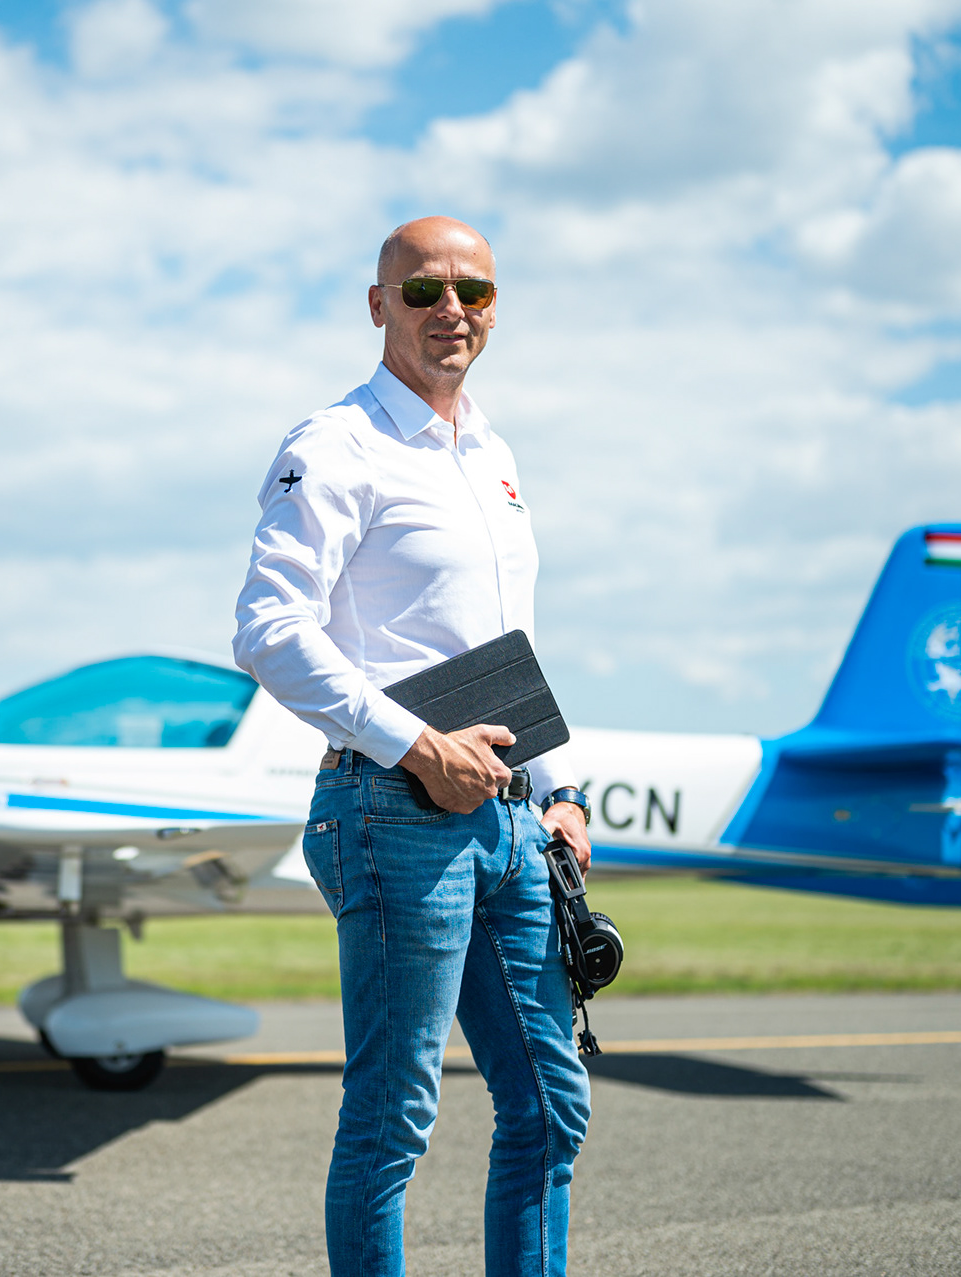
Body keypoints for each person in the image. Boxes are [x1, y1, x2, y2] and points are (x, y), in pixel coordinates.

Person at [231, 216, 594, 1277]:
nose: (452, 310)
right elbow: (269, 627)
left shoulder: (493, 455)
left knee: (551, 1104)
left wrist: (562, 789)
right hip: (392, 809)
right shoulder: (335, 444)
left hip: (514, 823)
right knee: (394, 1115)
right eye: (425, 289)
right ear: (378, 303)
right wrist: (418, 744)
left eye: (474, 291)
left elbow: (509, 643)